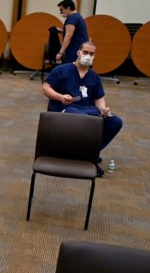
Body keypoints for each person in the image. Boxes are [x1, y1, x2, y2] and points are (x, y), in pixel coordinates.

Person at [42, 41, 123, 176]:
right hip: (64, 107)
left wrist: (103, 109)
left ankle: (88, 154)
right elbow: (45, 88)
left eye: (92, 54)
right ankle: (87, 156)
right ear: (78, 53)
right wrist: (60, 97)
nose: (88, 56)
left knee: (115, 122)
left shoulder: (94, 77)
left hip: (87, 109)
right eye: (85, 52)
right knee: (86, 121)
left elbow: (98, 98)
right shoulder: (62, 70)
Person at [55, 0, 88, 64]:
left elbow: (68, 36)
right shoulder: (78, 16)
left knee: (71, 71)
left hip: (74, 52)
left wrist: (60, 53)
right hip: (80, 51)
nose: (61, 13)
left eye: (62, 10)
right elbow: (75, 33)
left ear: (68, 8)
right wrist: (61, 31)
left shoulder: (72, 18)